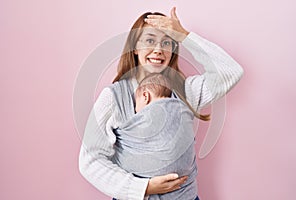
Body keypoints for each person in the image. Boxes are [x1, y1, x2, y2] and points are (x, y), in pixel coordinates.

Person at [79, 6, 243, 200]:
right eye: (150, 40)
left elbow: (231, 71)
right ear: (135, 47)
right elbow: (90, 161)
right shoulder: (114, 98)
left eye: (167, 42)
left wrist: (183, 36)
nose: (159, 49)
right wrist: (143, 188)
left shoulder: (185, 91)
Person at [111, 72, 199, 200]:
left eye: (136, 103)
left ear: (145, 96)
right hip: (185, 192)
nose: (136, 109)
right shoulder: (181, 106)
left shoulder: (137, 111)